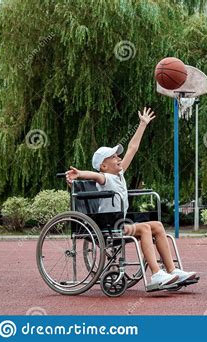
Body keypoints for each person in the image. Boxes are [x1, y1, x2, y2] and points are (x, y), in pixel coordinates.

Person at [66, 107, 198, 292]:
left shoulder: (119, 174)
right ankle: (156, 274)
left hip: (120, 223)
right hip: (109, 227)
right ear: (104, 165)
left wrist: (142, 124)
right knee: (144, 228)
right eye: (114, 157)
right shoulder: (105, 178)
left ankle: (173, 270)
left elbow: (133, 148)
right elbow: (93, 176)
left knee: (158, 226)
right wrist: (79, 174)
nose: (118, 157)